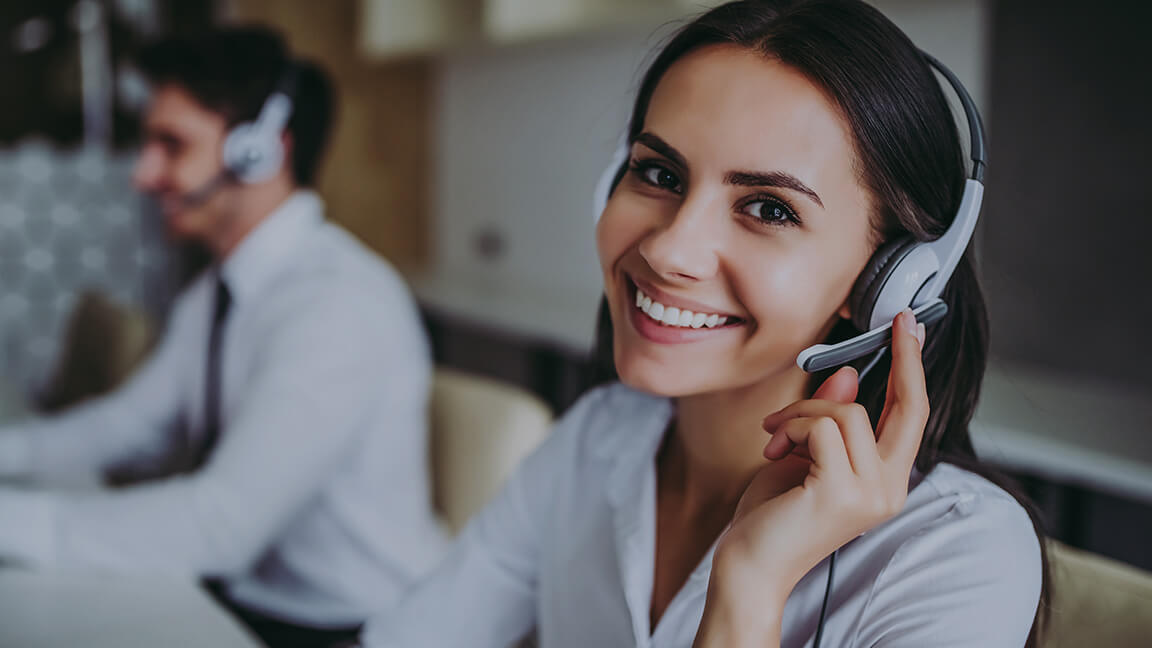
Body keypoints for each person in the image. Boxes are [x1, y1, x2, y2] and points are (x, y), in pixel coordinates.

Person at [358, 1, 1047, 646]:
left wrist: (751, 583)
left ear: (889, 280)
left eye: (770, 208)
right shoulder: (598, 441)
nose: (667, 249)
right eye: (658, 173)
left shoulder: (956, 556)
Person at [0, 27, 449, 647]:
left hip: (352, 631)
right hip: (251, 608)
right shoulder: (219, 291)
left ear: (260, 151)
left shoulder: (337, 304)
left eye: (172, 145)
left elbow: (219, 526)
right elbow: (126, 427)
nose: (144, 174)